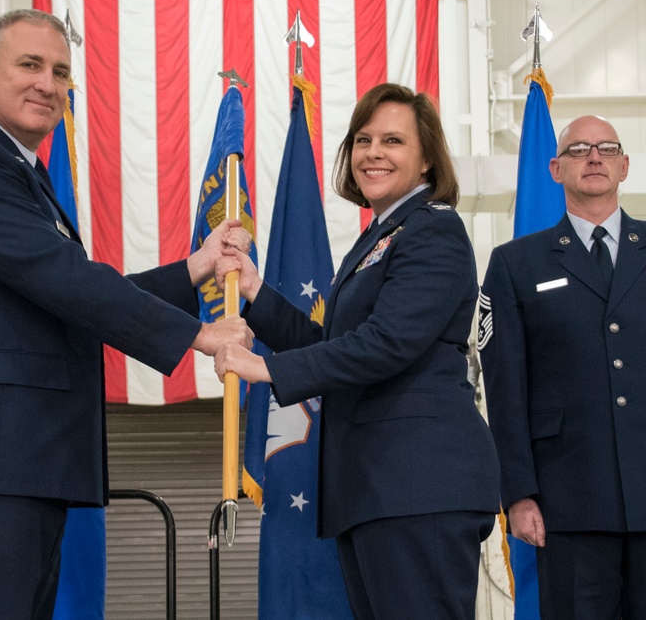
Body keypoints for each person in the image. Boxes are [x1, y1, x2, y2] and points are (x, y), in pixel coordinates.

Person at [0, 9, 253, 619]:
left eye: (59, 71)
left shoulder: (16, 174)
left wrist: (194, 269)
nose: (47, 85)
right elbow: (67, 281)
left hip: (19, 465)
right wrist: (200, 334)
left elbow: (59, 297)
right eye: (29, 65)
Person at [214, 83, 500, 619]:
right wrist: (257, 292)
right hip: (377, 489)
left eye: (393, 140)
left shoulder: (434, 230)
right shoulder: (378, 237)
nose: (373, 152)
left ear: (427, 159)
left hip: (419, 485)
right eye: (363, 139)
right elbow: (338, 347)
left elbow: (386, 344)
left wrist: (266, 369)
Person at [478, 115, 646, 619]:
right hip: (568, 497)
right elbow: (506, 388)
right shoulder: (516, 264)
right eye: (578, 150)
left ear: (624, 166)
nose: (593, 157)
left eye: (606, 148)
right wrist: (520, 495)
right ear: (555, 169)